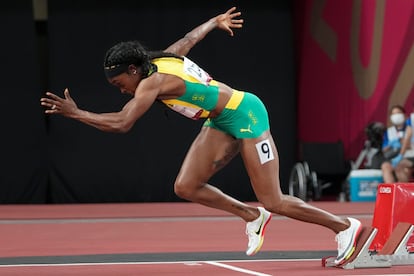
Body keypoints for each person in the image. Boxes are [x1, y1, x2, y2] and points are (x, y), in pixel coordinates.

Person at [40, 7, 361, 265]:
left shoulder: (152, 84)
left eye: (119, 83)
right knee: (186, 185)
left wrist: (77, 113)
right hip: (219, 119)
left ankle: (345, 227)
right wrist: (214, 22)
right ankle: (251, 215)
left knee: (274, 199)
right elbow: (188, 39)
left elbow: (123, 123)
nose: (121, 88)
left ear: (134, 70)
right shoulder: (159, 59)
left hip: (246, 113)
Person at [380, 105, 409, 183]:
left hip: (408, 157)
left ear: (405, 115)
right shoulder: (389, 131)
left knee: (400, 166)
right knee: (385, 166)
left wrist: (404, 143)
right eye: (394, 114)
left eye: (399, 113)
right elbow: (384, 149)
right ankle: (391, 191)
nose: (396, 116)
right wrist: (391, 144)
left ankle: (403, 192)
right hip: (393, 158)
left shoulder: (410, 129)